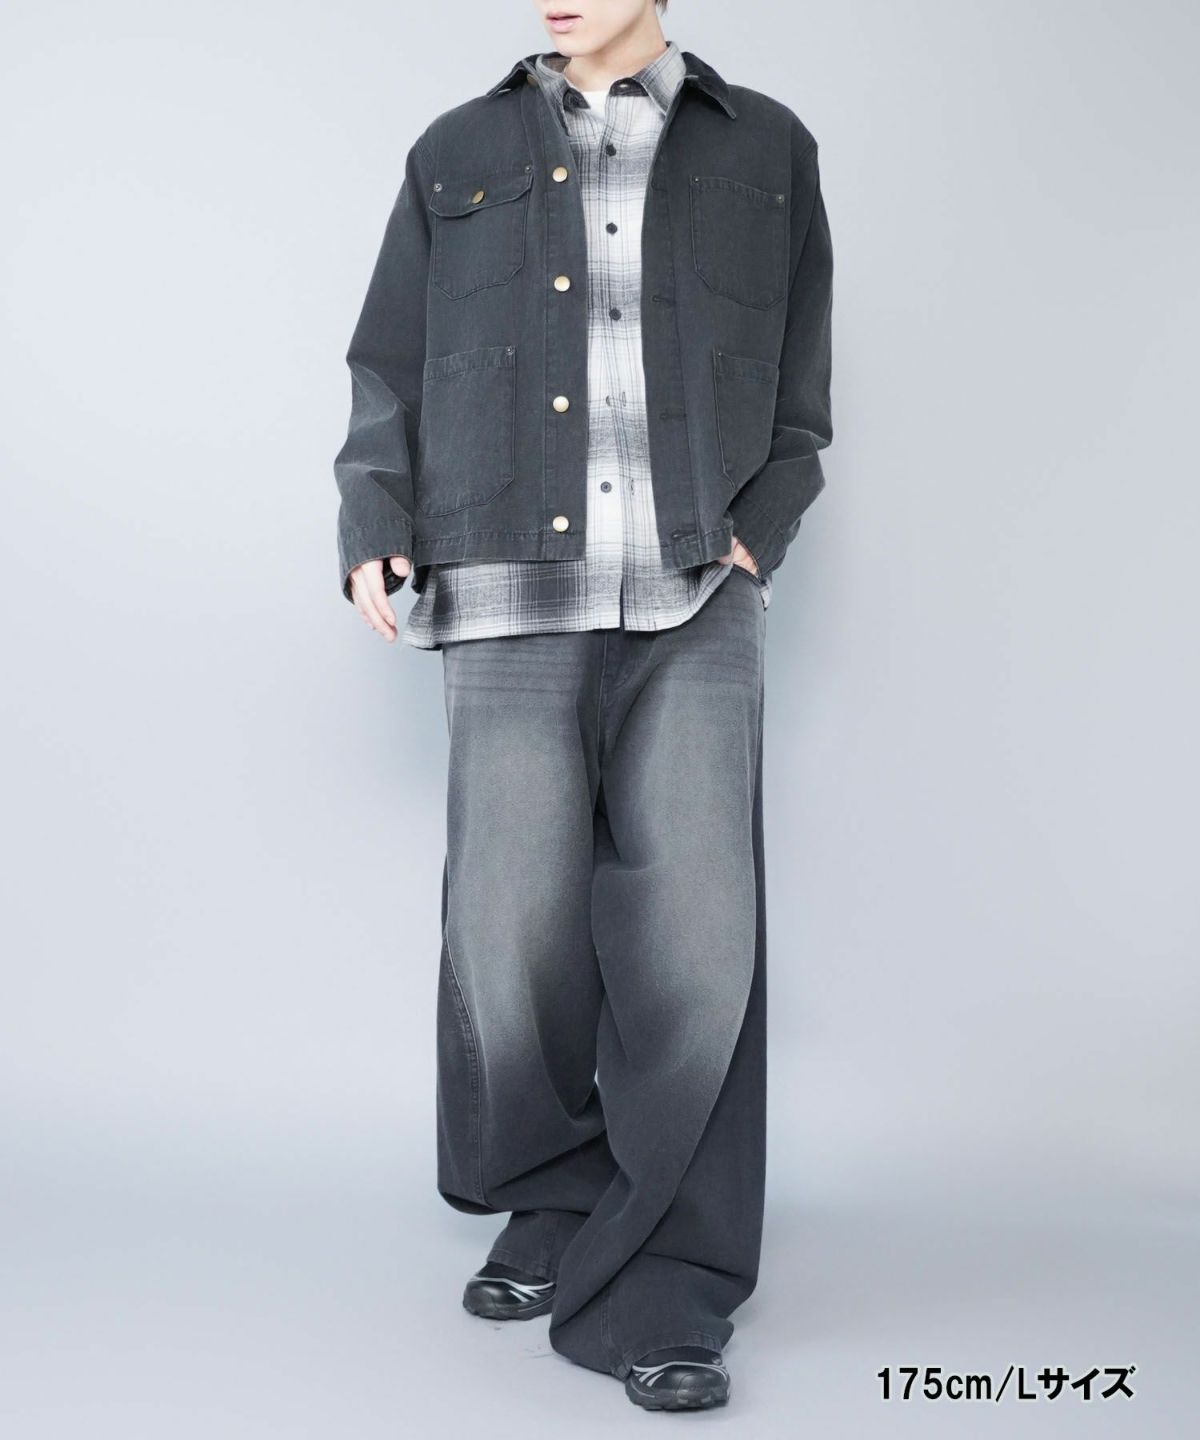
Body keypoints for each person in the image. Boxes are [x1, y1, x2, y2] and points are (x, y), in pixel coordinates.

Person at [333, 0, 832, 1413]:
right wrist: (373, 516)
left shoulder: (767, 150)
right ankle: (554, 1197)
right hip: (501, 575)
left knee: (697, 938)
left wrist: (762, 525)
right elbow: (387, 361)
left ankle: (672, 1274)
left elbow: (801, 384)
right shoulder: (458, 148)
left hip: (693, 586)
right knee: (511, 929)